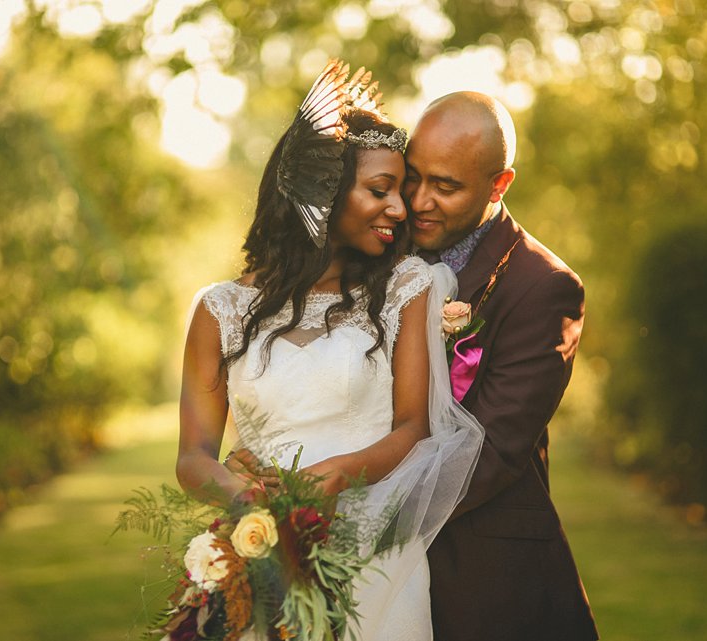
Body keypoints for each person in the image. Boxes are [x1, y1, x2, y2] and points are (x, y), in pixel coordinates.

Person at [176, 61, 482, 641]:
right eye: (380, 190)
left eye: (401, 188)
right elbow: (193, 456)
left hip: (375, 558)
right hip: (264, 554)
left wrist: (336, 477)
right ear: (322, 194)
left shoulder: (405, 289)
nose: (401, 208)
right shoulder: (218, 312)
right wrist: (256, 505)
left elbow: (413, 425)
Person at [404, 91, 599, 641]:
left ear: (499, 184)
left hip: (484, 580)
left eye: (445, 186)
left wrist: (353, 513)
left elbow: (488, 454)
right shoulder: (382, 251)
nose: (419, 200)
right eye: (412, 176)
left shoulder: (545, 288)